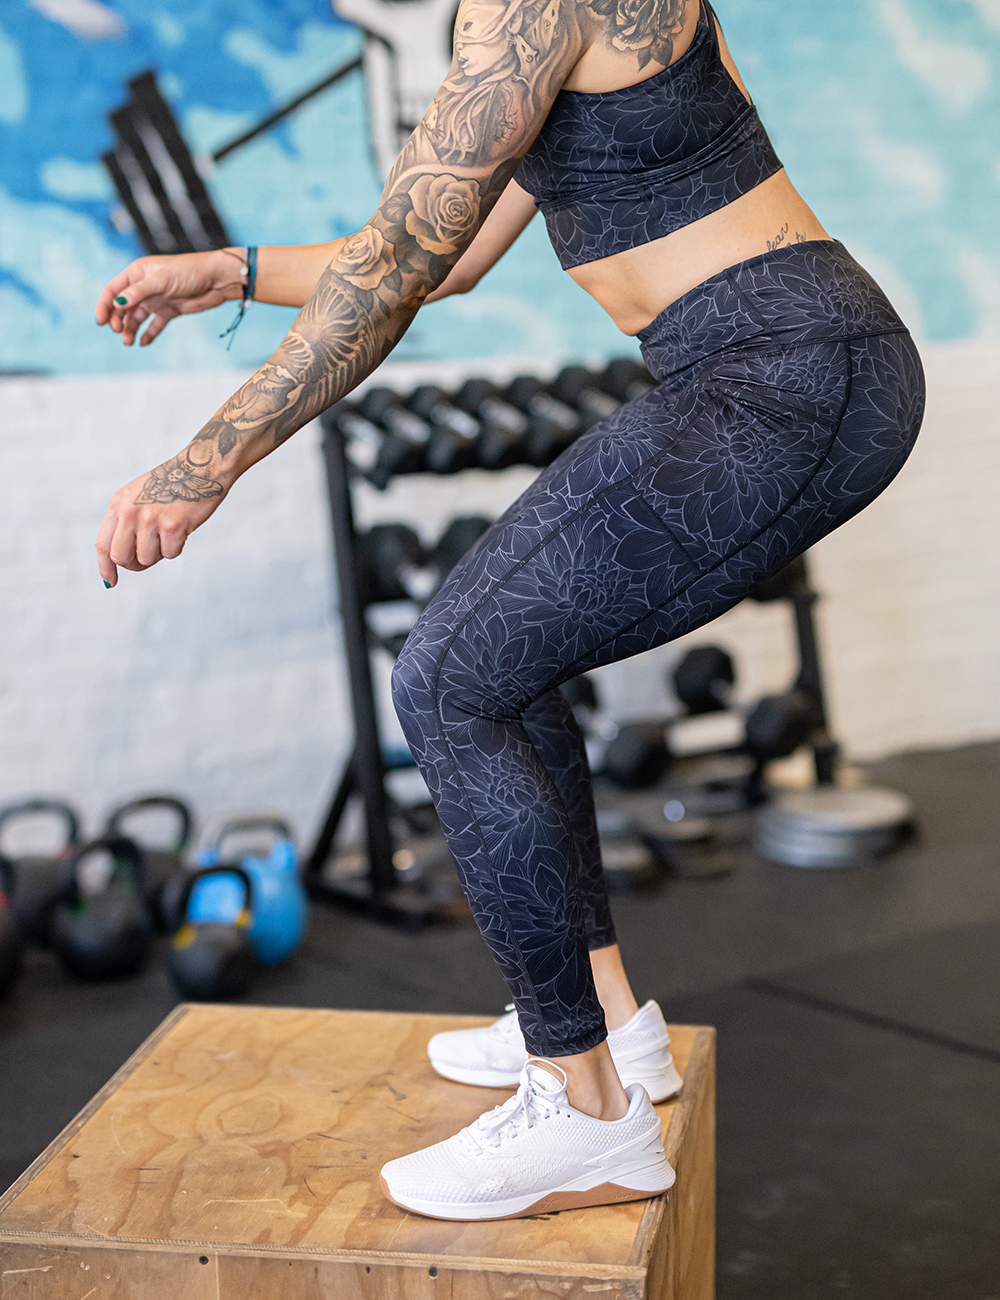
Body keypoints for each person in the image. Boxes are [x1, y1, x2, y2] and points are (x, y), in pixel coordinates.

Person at [94, 0, 925, 1223]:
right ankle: (608, 1034)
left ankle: (586, 1112)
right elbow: (450, 249)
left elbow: (395, 270)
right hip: (771, 359)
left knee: (447, 678)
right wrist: (231, 271)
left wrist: (201, 464)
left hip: (780, 370)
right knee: (491, 664)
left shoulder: (534, 4)